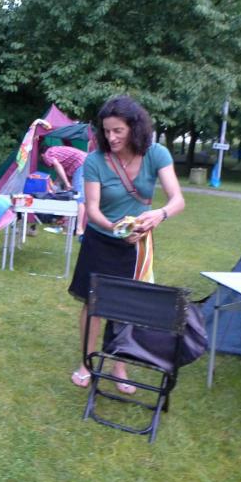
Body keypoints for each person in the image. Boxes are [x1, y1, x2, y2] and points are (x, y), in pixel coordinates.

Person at [68, 95, 184, 391]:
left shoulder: (157, 154)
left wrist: (159, 214)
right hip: (100, 241)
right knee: (93, 304)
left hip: (137, 246)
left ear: (135, 127)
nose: (111, 137)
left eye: (118, 130)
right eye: (106, 131)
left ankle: (119, 366)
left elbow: (177, 200)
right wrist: (117, 228)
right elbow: (92, 209)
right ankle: (86, 362)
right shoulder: (95, 161)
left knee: (127, 307)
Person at [41, 144, 88, 236]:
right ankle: (67, 224)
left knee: (78, 197)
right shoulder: (56, 152)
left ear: (41, 155)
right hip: (86, 161)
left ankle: (79, 229)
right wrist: (55, 186)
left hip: (81, 164)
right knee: (74, 196)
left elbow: (57, 166)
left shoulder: (47, 154)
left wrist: (67, 183)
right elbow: (60, 173)